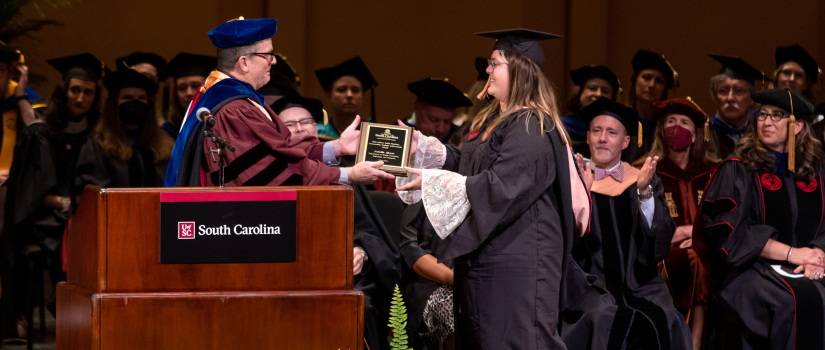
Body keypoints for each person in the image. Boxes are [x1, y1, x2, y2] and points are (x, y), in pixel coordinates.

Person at [396, 28, 592, 349]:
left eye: (494, 62)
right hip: (487, 261)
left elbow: (502, 186)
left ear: (519, 69)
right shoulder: (494, 120)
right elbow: (471, 165)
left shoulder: (531, 125)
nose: (487, 70)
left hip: (518, 265)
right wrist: (431, 152)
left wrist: (434, 182)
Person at [165, 17, 392, 187]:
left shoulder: (235, 100)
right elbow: (271, 170)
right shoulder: (234, 109)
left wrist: (336, 148)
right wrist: (348, 175)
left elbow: (280, 152)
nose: (273, 62)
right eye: (268, 55)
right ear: (244, 63)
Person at [697, 89, 825, 349]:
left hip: (811, 264)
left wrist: (817, 254)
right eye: (762, 115)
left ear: (798, 125)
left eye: (777, 115)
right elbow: (730, 233)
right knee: (792, 301)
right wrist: (793, 254)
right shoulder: (738, 167)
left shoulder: (817, 169)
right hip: (752, 268)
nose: (766, 122)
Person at [272, 94, 402, 350]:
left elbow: (368, 232)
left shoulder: (344, 171)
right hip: (290, 272)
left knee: (360, 303)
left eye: (306, 121)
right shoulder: (274, 176)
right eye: (289, 124)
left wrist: (361, 252)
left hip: (345, 275)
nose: (300, 128)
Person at [572, 97, 690, 349]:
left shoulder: (641, 180)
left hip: (641, 283)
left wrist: (644, 193)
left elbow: (658, 242)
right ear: (589, 137)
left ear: (625, 142)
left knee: (667, 318)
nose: (603, 138)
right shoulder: (574, 180)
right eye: (597, 130)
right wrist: (583, 198)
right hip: (590, 283)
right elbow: (566, 244)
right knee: (600, 318)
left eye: (612, 132)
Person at [2, 52, 105, 341]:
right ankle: (23, 313)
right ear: (64, 90)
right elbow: (30, 191)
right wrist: (63, 204)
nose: (80, 98)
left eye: (88, 92)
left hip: (82, 215)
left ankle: (79, 314)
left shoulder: (98, 133)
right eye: (75, 90)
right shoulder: (43, 133)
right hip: (46, 216)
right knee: (37, 237)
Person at [635, 97, 718, 349]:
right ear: (661, 130)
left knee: (699, 259)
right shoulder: (645, 170)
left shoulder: (715, 171)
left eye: (684, 122)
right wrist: (685, 232)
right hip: (661, 253)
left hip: (706, 251)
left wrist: (696, 235)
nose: (676, 127)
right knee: (694, 260)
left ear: (696, 135)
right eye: (670, 121)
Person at [75, 68, 173, 195]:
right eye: (127, 97)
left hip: (158, 213)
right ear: (114, 104)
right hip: (114, 213)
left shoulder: (165, 144)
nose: (135, 103)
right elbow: (90, 193)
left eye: (142, 98)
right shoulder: (96, 145)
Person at [399, 201, 455, 350]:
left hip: (486, 280)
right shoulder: (425, 194)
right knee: (453, 317)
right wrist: (458, 280)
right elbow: (413, 252)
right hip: (435, 282)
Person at [706, 54, 769, 159]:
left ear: (752, 99)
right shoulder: (704, 134)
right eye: (723, 91)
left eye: (739, 91)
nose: (730, 98)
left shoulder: (761, 135)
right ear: (715, 98)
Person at [626, 49, 677, 162]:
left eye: (659, 81)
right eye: (646, 78)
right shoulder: (620, 121)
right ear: (635, 81)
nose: (651, 85)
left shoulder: (667, 127)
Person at [563, 65, 620, 157]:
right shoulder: (562, 127)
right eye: (592, 88)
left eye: (605, 91)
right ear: (580, 92)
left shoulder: (617, 133)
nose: (598, 94)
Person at [314, 56, 377, 140]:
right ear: (329, 95)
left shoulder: (374, 134)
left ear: (363, 95)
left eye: (355, 90)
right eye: (341, 90)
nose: (349, 95)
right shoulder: (316, 133)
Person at [160, 53, 216, 139]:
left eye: (195, 86)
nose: (189, 93)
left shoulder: (221, 125)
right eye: (182, 88)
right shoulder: (167, 133)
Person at [404, 77, 472, 143]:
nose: (441, 129)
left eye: (447, 122)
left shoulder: (459, 139)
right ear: (417, 108)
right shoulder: (399, 136)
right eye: (434, 120)